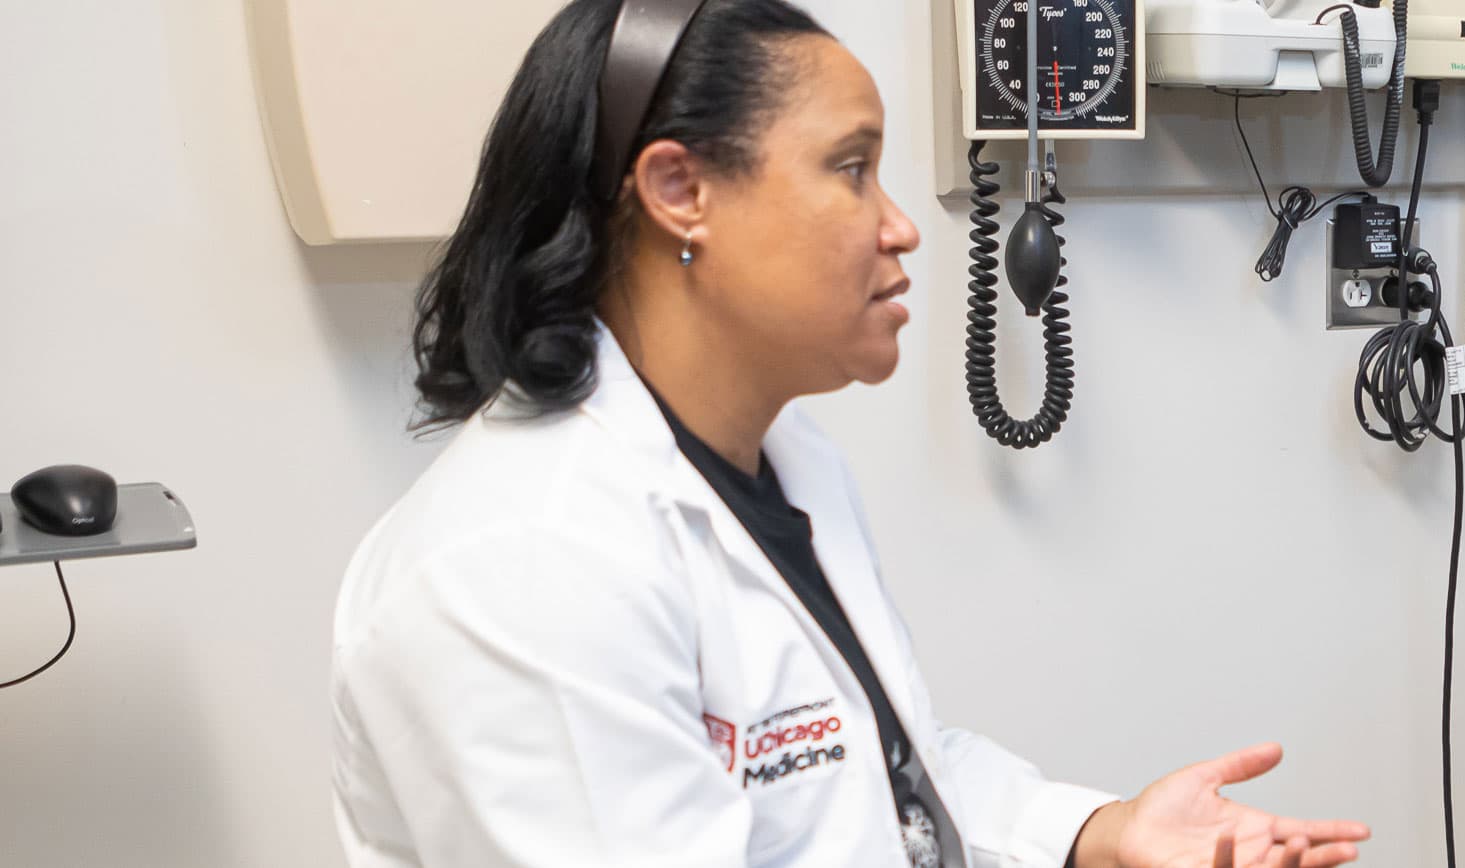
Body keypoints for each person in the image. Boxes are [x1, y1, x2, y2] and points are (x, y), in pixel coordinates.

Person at [325, 2, 1367, 866]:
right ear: (681, 191)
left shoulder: (784, 464)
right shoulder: (528, 568)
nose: (899, 225)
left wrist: (1100, 834)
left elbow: (867, 775)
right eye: (850, 167)